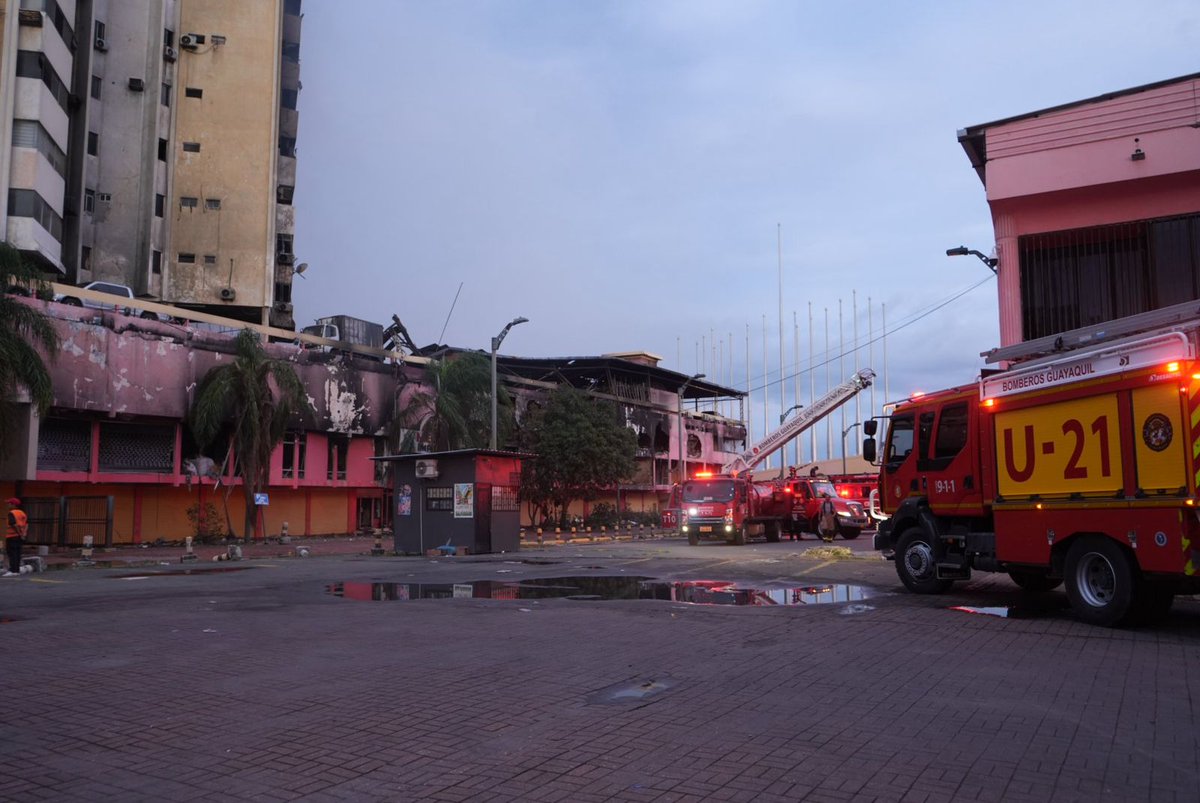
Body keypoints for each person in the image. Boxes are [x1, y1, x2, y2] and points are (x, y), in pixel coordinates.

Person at [5, 497, 27, 576]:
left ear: (13, 505)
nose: (8, 505)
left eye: (9, 503)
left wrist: (19, 533)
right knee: (17, 553)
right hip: (19, 537)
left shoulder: (12, 513)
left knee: (12, 553)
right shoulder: (22, 513)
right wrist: (23, 534)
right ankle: (16, 570)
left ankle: (12, 570)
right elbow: (26, 524)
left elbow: (13, 524)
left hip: (12, 536)